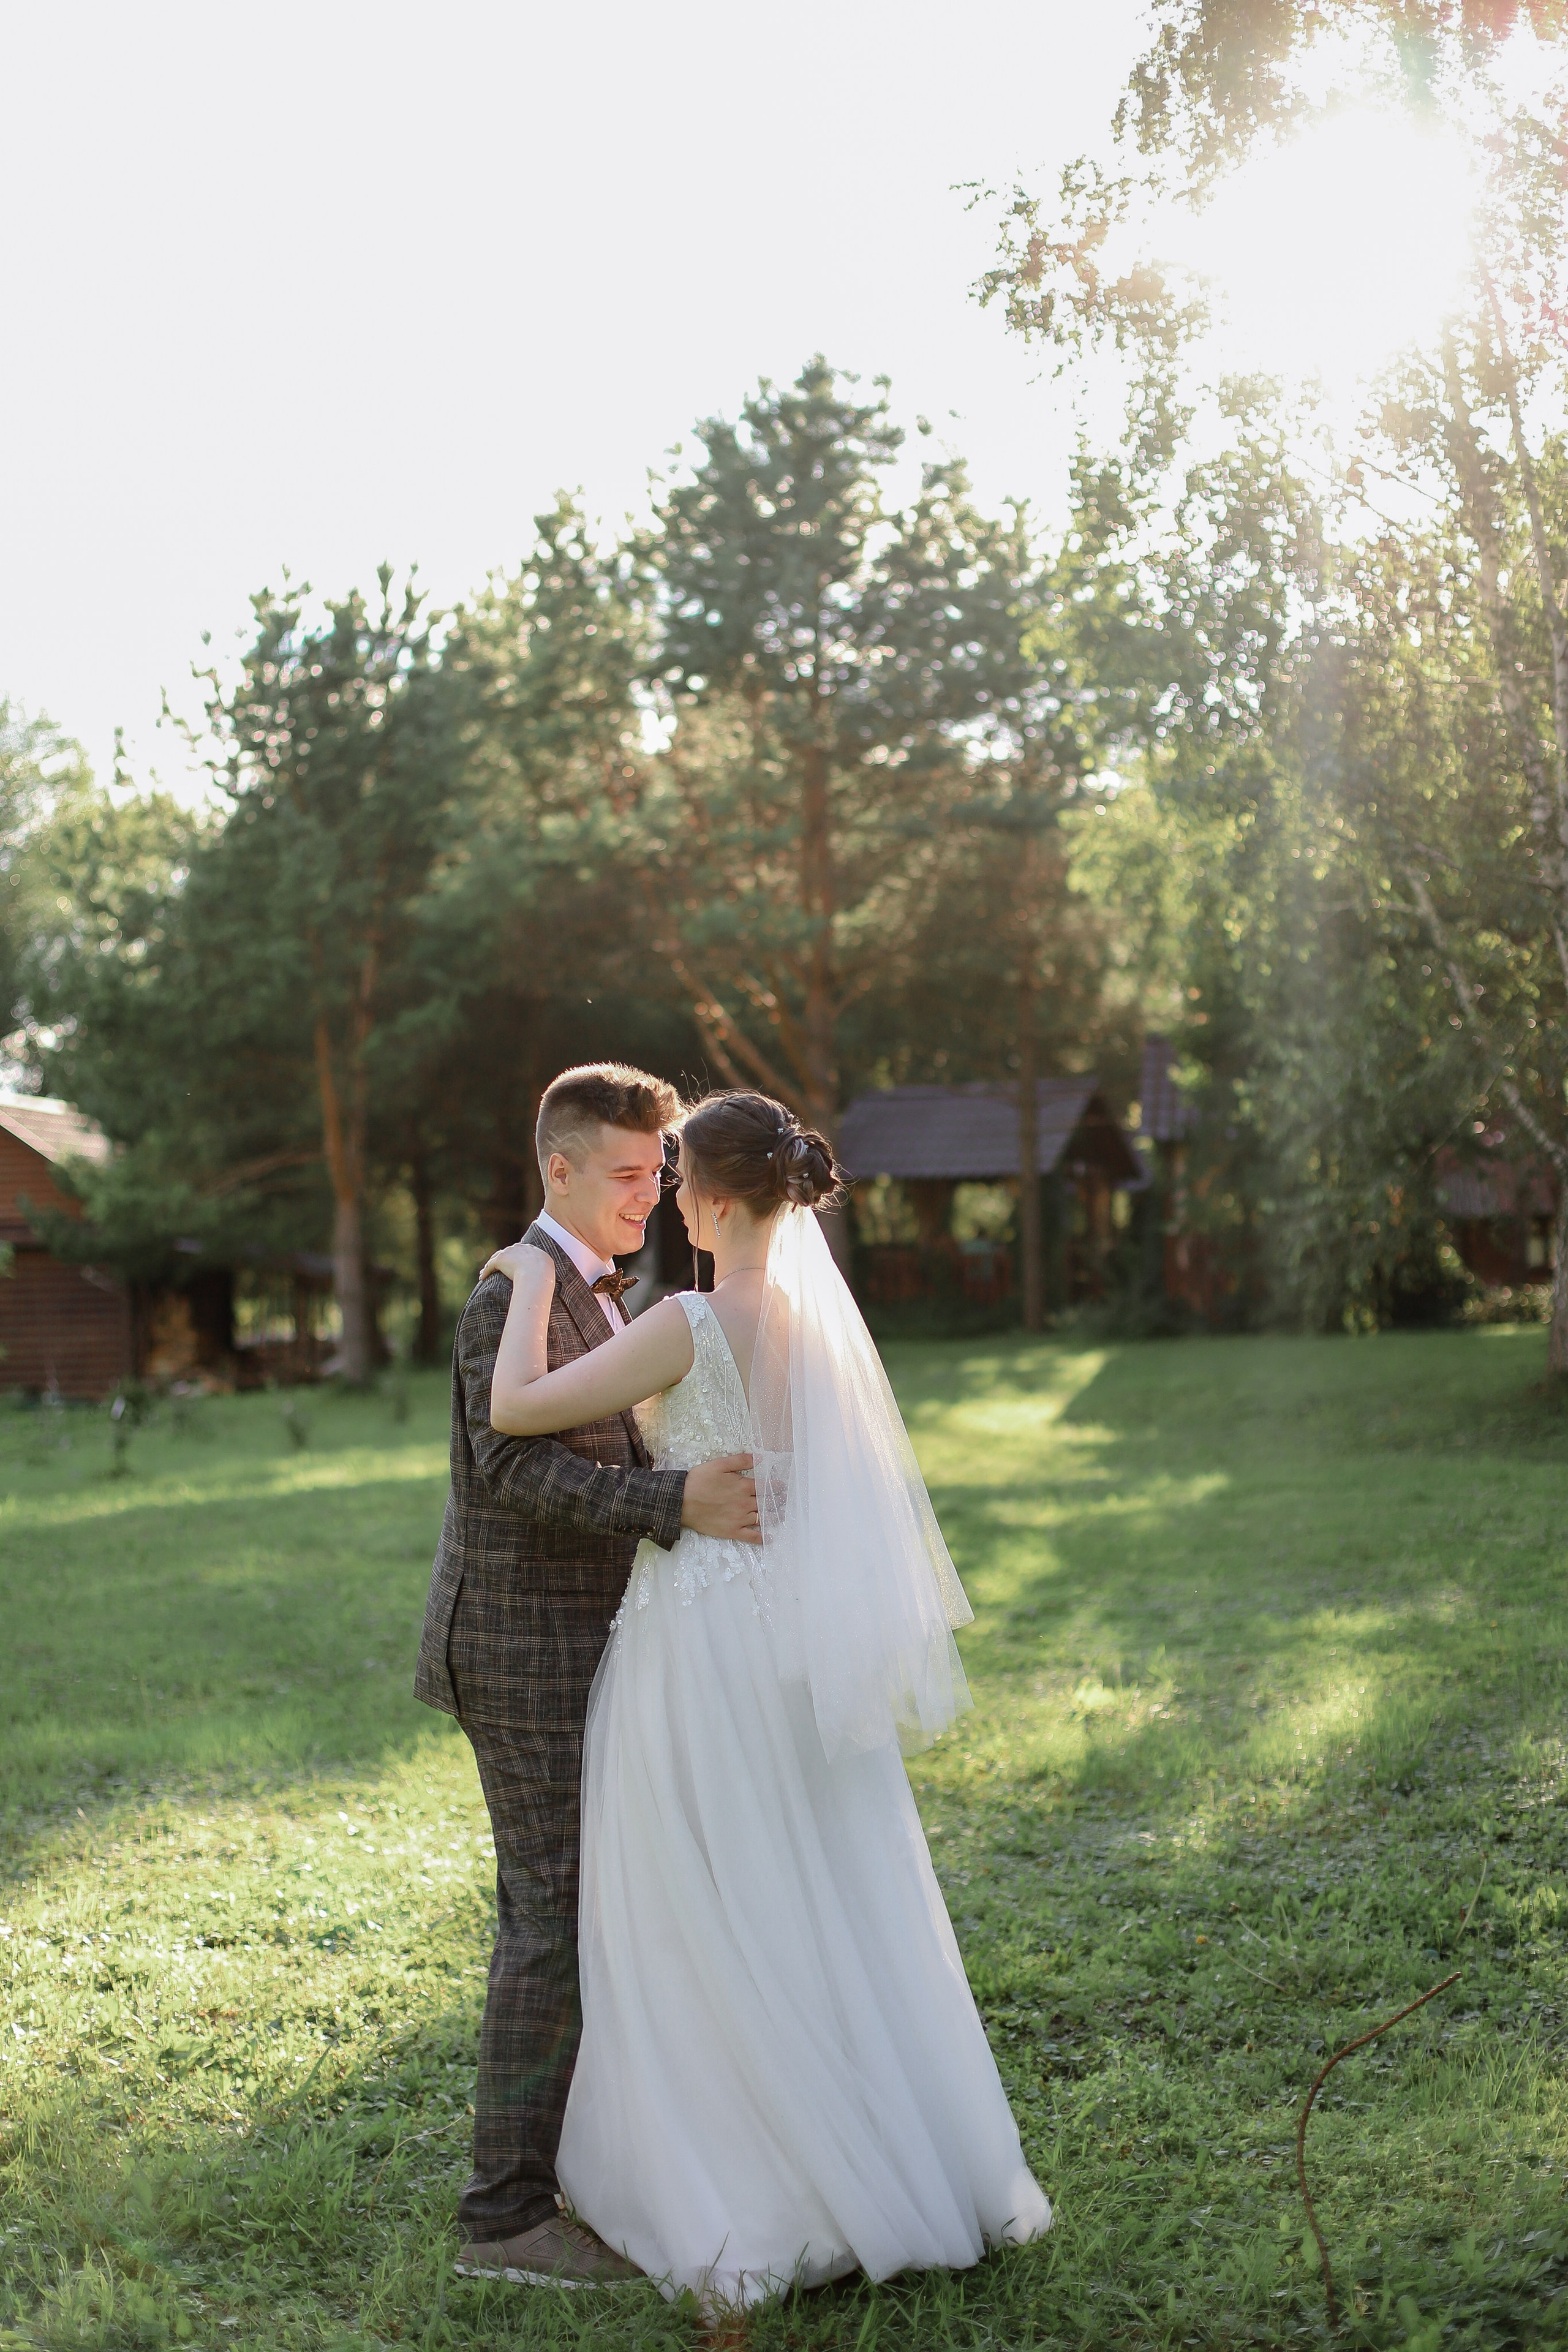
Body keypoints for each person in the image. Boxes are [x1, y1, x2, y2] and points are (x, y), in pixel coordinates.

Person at [477, 1087, 1051, 2310]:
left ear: (719, 1199)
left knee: (697, 1896)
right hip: (788, 1632)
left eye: (675, 1177)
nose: (666, 1195)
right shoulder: (805, 1320)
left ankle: (748, 2176)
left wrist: (530, 1274)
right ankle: (890, 2158)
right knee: (818, 1890)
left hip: (697, 1638)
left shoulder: (693, 1320)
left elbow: (516, 1409)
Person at [413, 1063, 764, 2290]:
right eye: (624, 1171)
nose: (647, 1191)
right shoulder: (508, 1294)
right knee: (549, 1916)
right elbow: (509, 1476)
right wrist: (674, 1502)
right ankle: (503, 2219)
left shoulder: (605, 1294)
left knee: (589, 1910)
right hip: (516, 1650)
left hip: (589, 1641)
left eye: (657, 1168)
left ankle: (591, 2172)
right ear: (555, 1166)